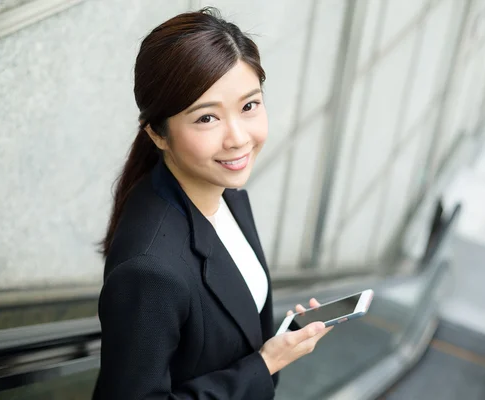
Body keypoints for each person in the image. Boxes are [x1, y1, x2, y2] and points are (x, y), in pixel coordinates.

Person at [92, 7, 332, 400]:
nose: (237, 138)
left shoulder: (227, 195)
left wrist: (278, 337)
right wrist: (265, 364)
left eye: (249, 105)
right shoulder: (150, 270)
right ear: (157, 133)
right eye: (206, 118)